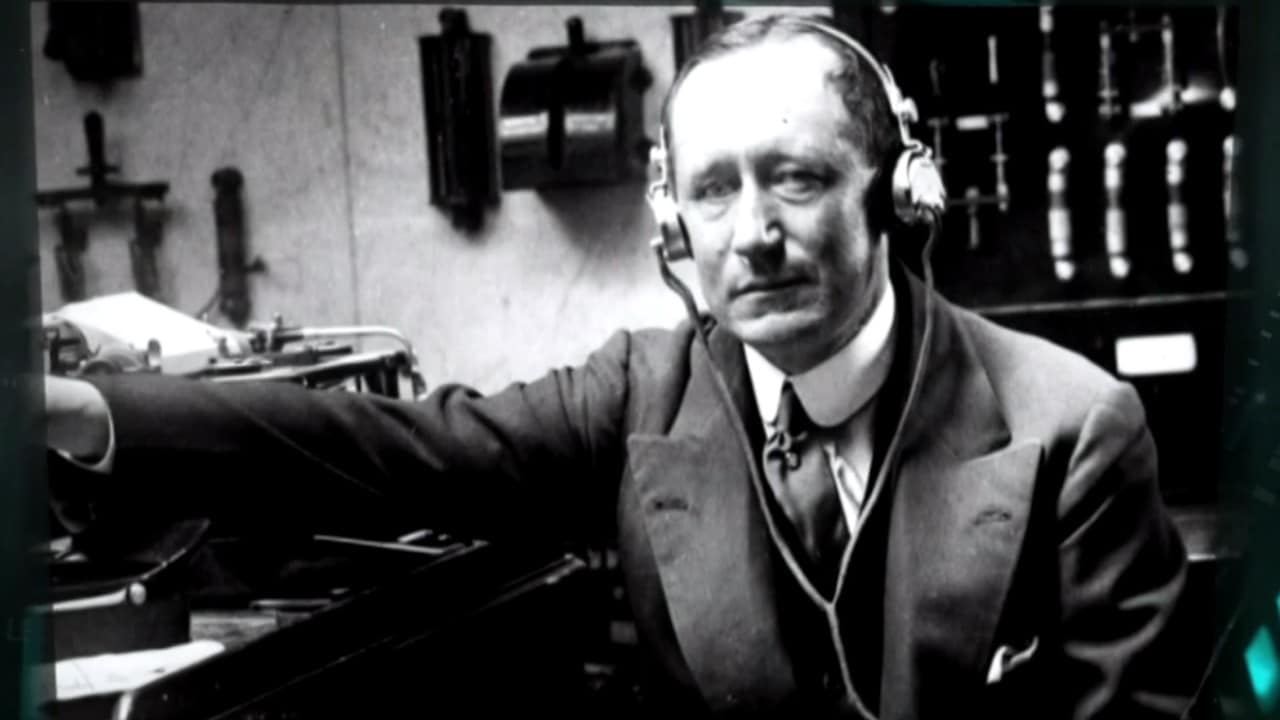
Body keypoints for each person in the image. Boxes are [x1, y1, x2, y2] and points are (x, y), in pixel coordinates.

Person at [44, 13, 1192, 718]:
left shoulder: (1071, 429)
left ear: (897, 195)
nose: (751, 234)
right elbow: (387, 451)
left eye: (795, 179)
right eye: (712, 191)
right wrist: (81, 413)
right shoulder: (641, 393)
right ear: (672, 227)